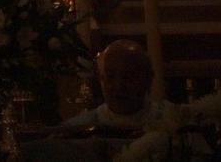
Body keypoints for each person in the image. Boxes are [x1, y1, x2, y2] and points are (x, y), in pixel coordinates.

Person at [50, 40, 221, 161]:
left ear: (148, 79)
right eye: (110, 77)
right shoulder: (76, 130)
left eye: (128, 76)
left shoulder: (177, 122)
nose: (118, 86)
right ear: (100, 80)